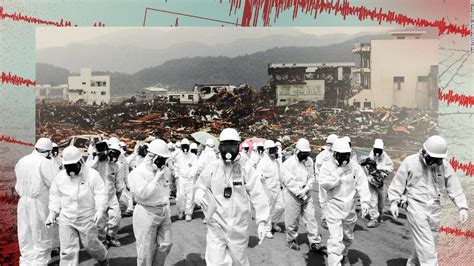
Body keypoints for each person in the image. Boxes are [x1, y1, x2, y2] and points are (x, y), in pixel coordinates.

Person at [388, 135, 469, 266]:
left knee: (429, 242)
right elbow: (398, 183)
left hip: (435, 209)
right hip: (416, 207)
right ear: (424, 152)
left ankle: (412, 264)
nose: (435, 163)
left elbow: (454, 187)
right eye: (433, 159)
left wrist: (462, 206)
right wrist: (393, 201)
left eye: (438, 160)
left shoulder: (444, 166)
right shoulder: (410, 162)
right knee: (428, 251)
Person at [194, 128, 270, 265]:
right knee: (215, 262)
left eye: (232, 146)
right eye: (225, 145)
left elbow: (258, 194)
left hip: (239, 226)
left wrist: (262, 221)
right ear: (220, 147)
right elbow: (200, 184)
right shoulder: (213, 166)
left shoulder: (246, 167)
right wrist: (199, 192)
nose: (228, 150)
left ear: (238, 147)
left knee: (238, 261)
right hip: (216, 224)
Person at [47, 146, 108, 265]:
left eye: (73, 165)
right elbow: (55, 196)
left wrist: (100, 209)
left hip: (86, 217)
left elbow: (100, 193)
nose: (71, 170)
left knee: (91, 245)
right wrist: (52, 212)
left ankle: (103, 258)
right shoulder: (60, 177)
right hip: (66, 218)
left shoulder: (92, 175)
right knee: (67, 251)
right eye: (67, 166)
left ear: (81, 162)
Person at [319, 138, 371, 265]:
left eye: (346, 155)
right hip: (334, 207)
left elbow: (362, 183)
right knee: (336, 241)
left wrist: (365, 201)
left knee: (348, 238)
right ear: (335, 154)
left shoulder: (354, 166)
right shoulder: (327, 166)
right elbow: (325, 184)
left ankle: (344, 254)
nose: (344, 158)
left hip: (350, 208)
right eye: (341, 155)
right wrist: (339, 173)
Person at [128, 139, 173, 266]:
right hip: (146, 212)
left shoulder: (163, 170)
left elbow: (165, 191)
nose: (164, 161)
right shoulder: (138, 172)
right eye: (162, 158)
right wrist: (156, 178)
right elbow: (143, 195)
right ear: (152, 156)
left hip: (163, 210)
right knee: (145, 251)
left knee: (166, 244)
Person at [15, 137, 56, 265]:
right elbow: (53, 183)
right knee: (40, 232)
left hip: (23, 201)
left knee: (25, 231)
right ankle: (40, 261)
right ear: (48, 151)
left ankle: (26, 260)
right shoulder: (44, 162)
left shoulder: (22, 160)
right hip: (38, 202)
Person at [280, 138, 322, 252]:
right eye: (302, 153)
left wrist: (306, 189)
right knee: (292, 219)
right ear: (296, 151)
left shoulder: (309, 161)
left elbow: (311, 177)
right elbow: (289, 182)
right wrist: (299, 192)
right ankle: (291, 240)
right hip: (292, 194)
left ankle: (314, 241)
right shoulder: (287, 164)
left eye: (306, 153)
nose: (305, 156)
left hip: (306, 192)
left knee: (311, 217)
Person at [86, 141, 122, 247]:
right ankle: (102, 240)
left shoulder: (115, 165)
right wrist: (96, 158)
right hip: (98, 197)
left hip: (111, 195)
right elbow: (86, 170)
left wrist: (119, 193)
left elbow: (118, 181)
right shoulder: (93, 162)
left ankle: (111, 236)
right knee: (99, 220)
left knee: (116, 217)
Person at [360, 139, 393, 228]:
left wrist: (380, 168)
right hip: (371, 179)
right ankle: (373, 218)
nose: (377, 152)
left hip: (382, 181)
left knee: (381, 200)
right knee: (372, 198)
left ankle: (380, 215)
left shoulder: (386, 157)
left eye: (379, 150)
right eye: (376, 149)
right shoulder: (371, 154)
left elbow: (391, 167)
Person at [256, 140, 285, 239]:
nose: (274, 151)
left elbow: (279, 174)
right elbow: (258, 174)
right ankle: (267, 229)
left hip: (277, 188)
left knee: (281, 206)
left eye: (275, 149)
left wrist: (282, 183)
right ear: (267, 150)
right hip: (267, 189)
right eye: (272, 150)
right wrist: (262, 177)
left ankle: (273, 222)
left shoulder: (276, 162)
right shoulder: (263, 162)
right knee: (268, 209)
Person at [315, 133, 338, 229]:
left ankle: (334, 219)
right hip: (324, 181)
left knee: (335, 200)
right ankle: (324, 219)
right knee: (324, 200)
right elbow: (318, 169)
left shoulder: (337, 154)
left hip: (335, 181)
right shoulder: (322, 155)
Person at [175, 138, 198, 221]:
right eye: (183, 147)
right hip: (181, 179)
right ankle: (181, 211)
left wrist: (191, 175)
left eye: (186, 147)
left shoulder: (193, 156)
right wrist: (177, 176)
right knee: (180, 196)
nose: (185, 149)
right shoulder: (178, 157)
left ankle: (188, 213)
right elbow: (176, 167)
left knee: (190, 196)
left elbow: (195, 167)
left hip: (190, 179)